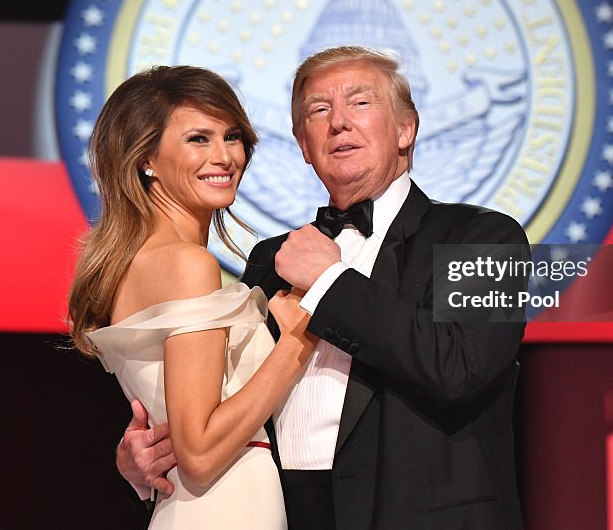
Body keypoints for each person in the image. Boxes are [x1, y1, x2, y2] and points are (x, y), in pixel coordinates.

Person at [119, 46, 530, 529]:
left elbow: (459, 368)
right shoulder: (271, 260)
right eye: (318, 110)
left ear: (405, 129)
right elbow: (227, 405)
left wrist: (330, 282)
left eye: (360, 103)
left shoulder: (488, 237)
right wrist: (146, 459)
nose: (338, 123)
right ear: (302, 144)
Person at [68, 65, 316, 529]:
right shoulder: (187, 264)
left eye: (232, 136)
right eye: (198, 139)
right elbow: (199, 452)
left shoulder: (144, 260)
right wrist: (299, 340)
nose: (224, 156)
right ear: (145, 158)